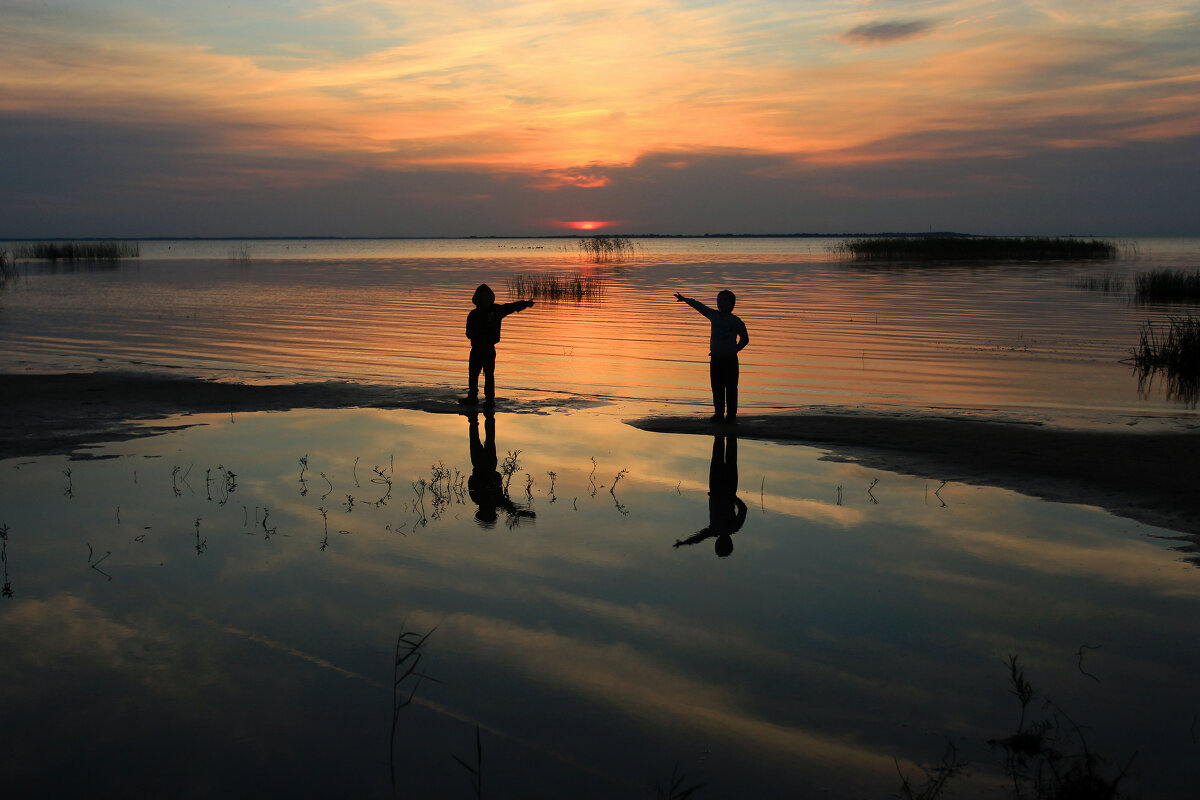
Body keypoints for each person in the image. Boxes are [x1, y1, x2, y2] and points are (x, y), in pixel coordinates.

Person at [674, 289, 749, 422]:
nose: (721, 303)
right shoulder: (714, 316)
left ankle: (731, 415)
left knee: (731, 388)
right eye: (719, 300)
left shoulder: (736, 321)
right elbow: (700, 306)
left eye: (725, 300)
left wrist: (734, 350)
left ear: (731, 303)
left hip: (730, 360)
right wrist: (685, 299)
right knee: (717, 387)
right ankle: (719, 413)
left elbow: (745, 339)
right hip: (715, 359)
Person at [674, 434, 747, 557]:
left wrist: (733, 498)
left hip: (723, 488)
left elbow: (743, 509)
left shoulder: (728, 528)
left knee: (729, 455)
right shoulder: (718, 529)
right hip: (721, 488)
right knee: (720, 455)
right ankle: (724, 429)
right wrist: (732, 498)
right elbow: (699, 538)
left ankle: (728, 428)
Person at [462, 283, 534, 406]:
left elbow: (511, 307)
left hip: (489, 349)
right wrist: (478, 331)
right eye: (482, 297)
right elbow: (468, 333)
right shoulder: (473, 314)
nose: (484, 299)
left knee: (489, 375)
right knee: (473, 375)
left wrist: (526, 303)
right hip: (476, 349)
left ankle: (490, 400)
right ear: (477, 299)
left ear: (490, 298)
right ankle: (472, 397)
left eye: (487, 297)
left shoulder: (496, 310)